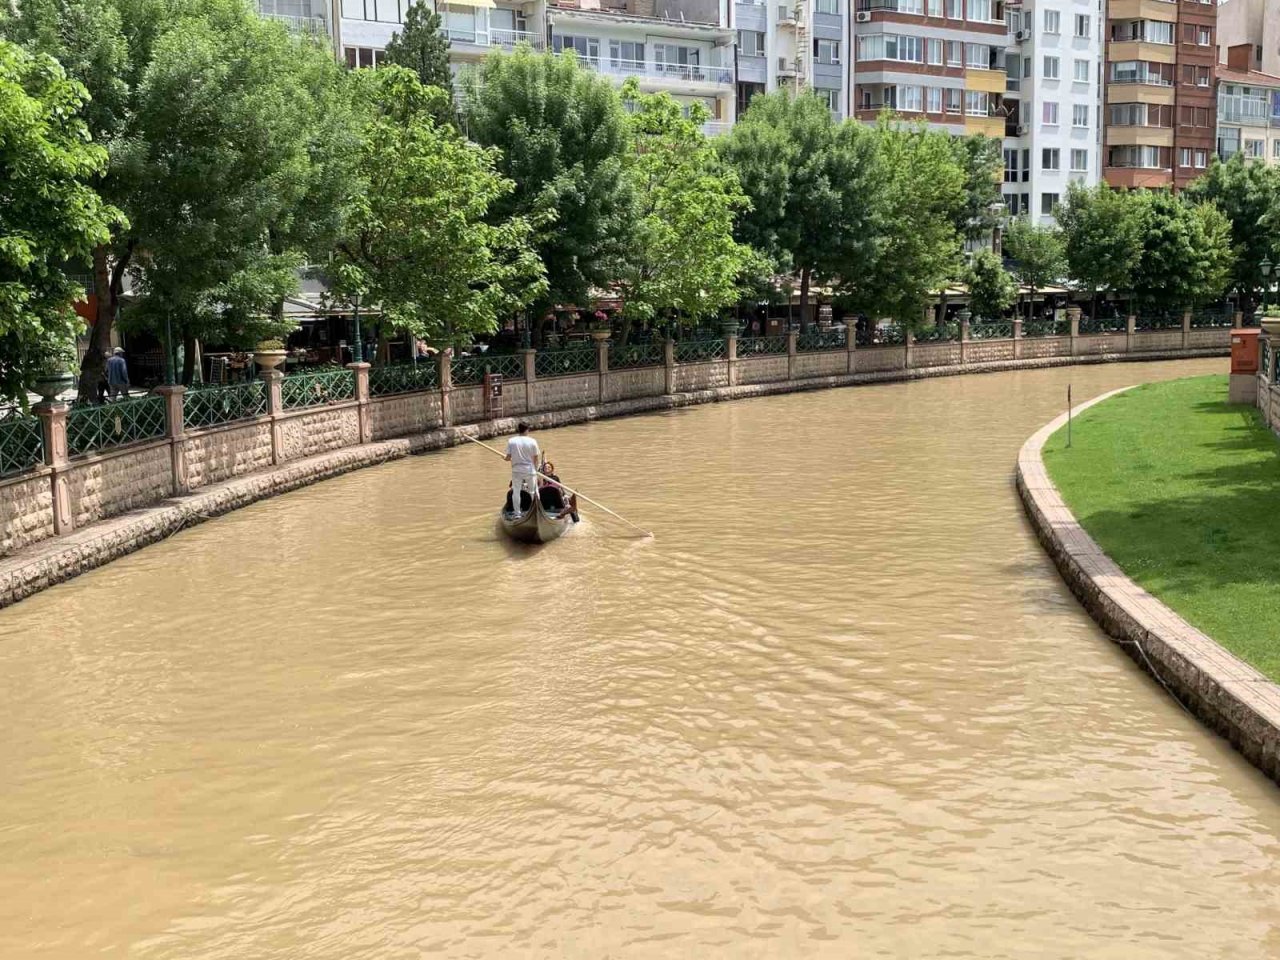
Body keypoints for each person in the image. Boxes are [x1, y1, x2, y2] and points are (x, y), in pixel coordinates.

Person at [504, 422, 540, 516]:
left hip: (517, 470)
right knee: (534, 491)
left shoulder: (511, 441)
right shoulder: (533, 441)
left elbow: (508, 457)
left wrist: (504, 458)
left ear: (518, 430)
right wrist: (536, 470)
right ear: (527, 430)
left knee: (516, 492)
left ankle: (517, 513)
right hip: (530, 470)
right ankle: (537, 511)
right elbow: (536, 458)